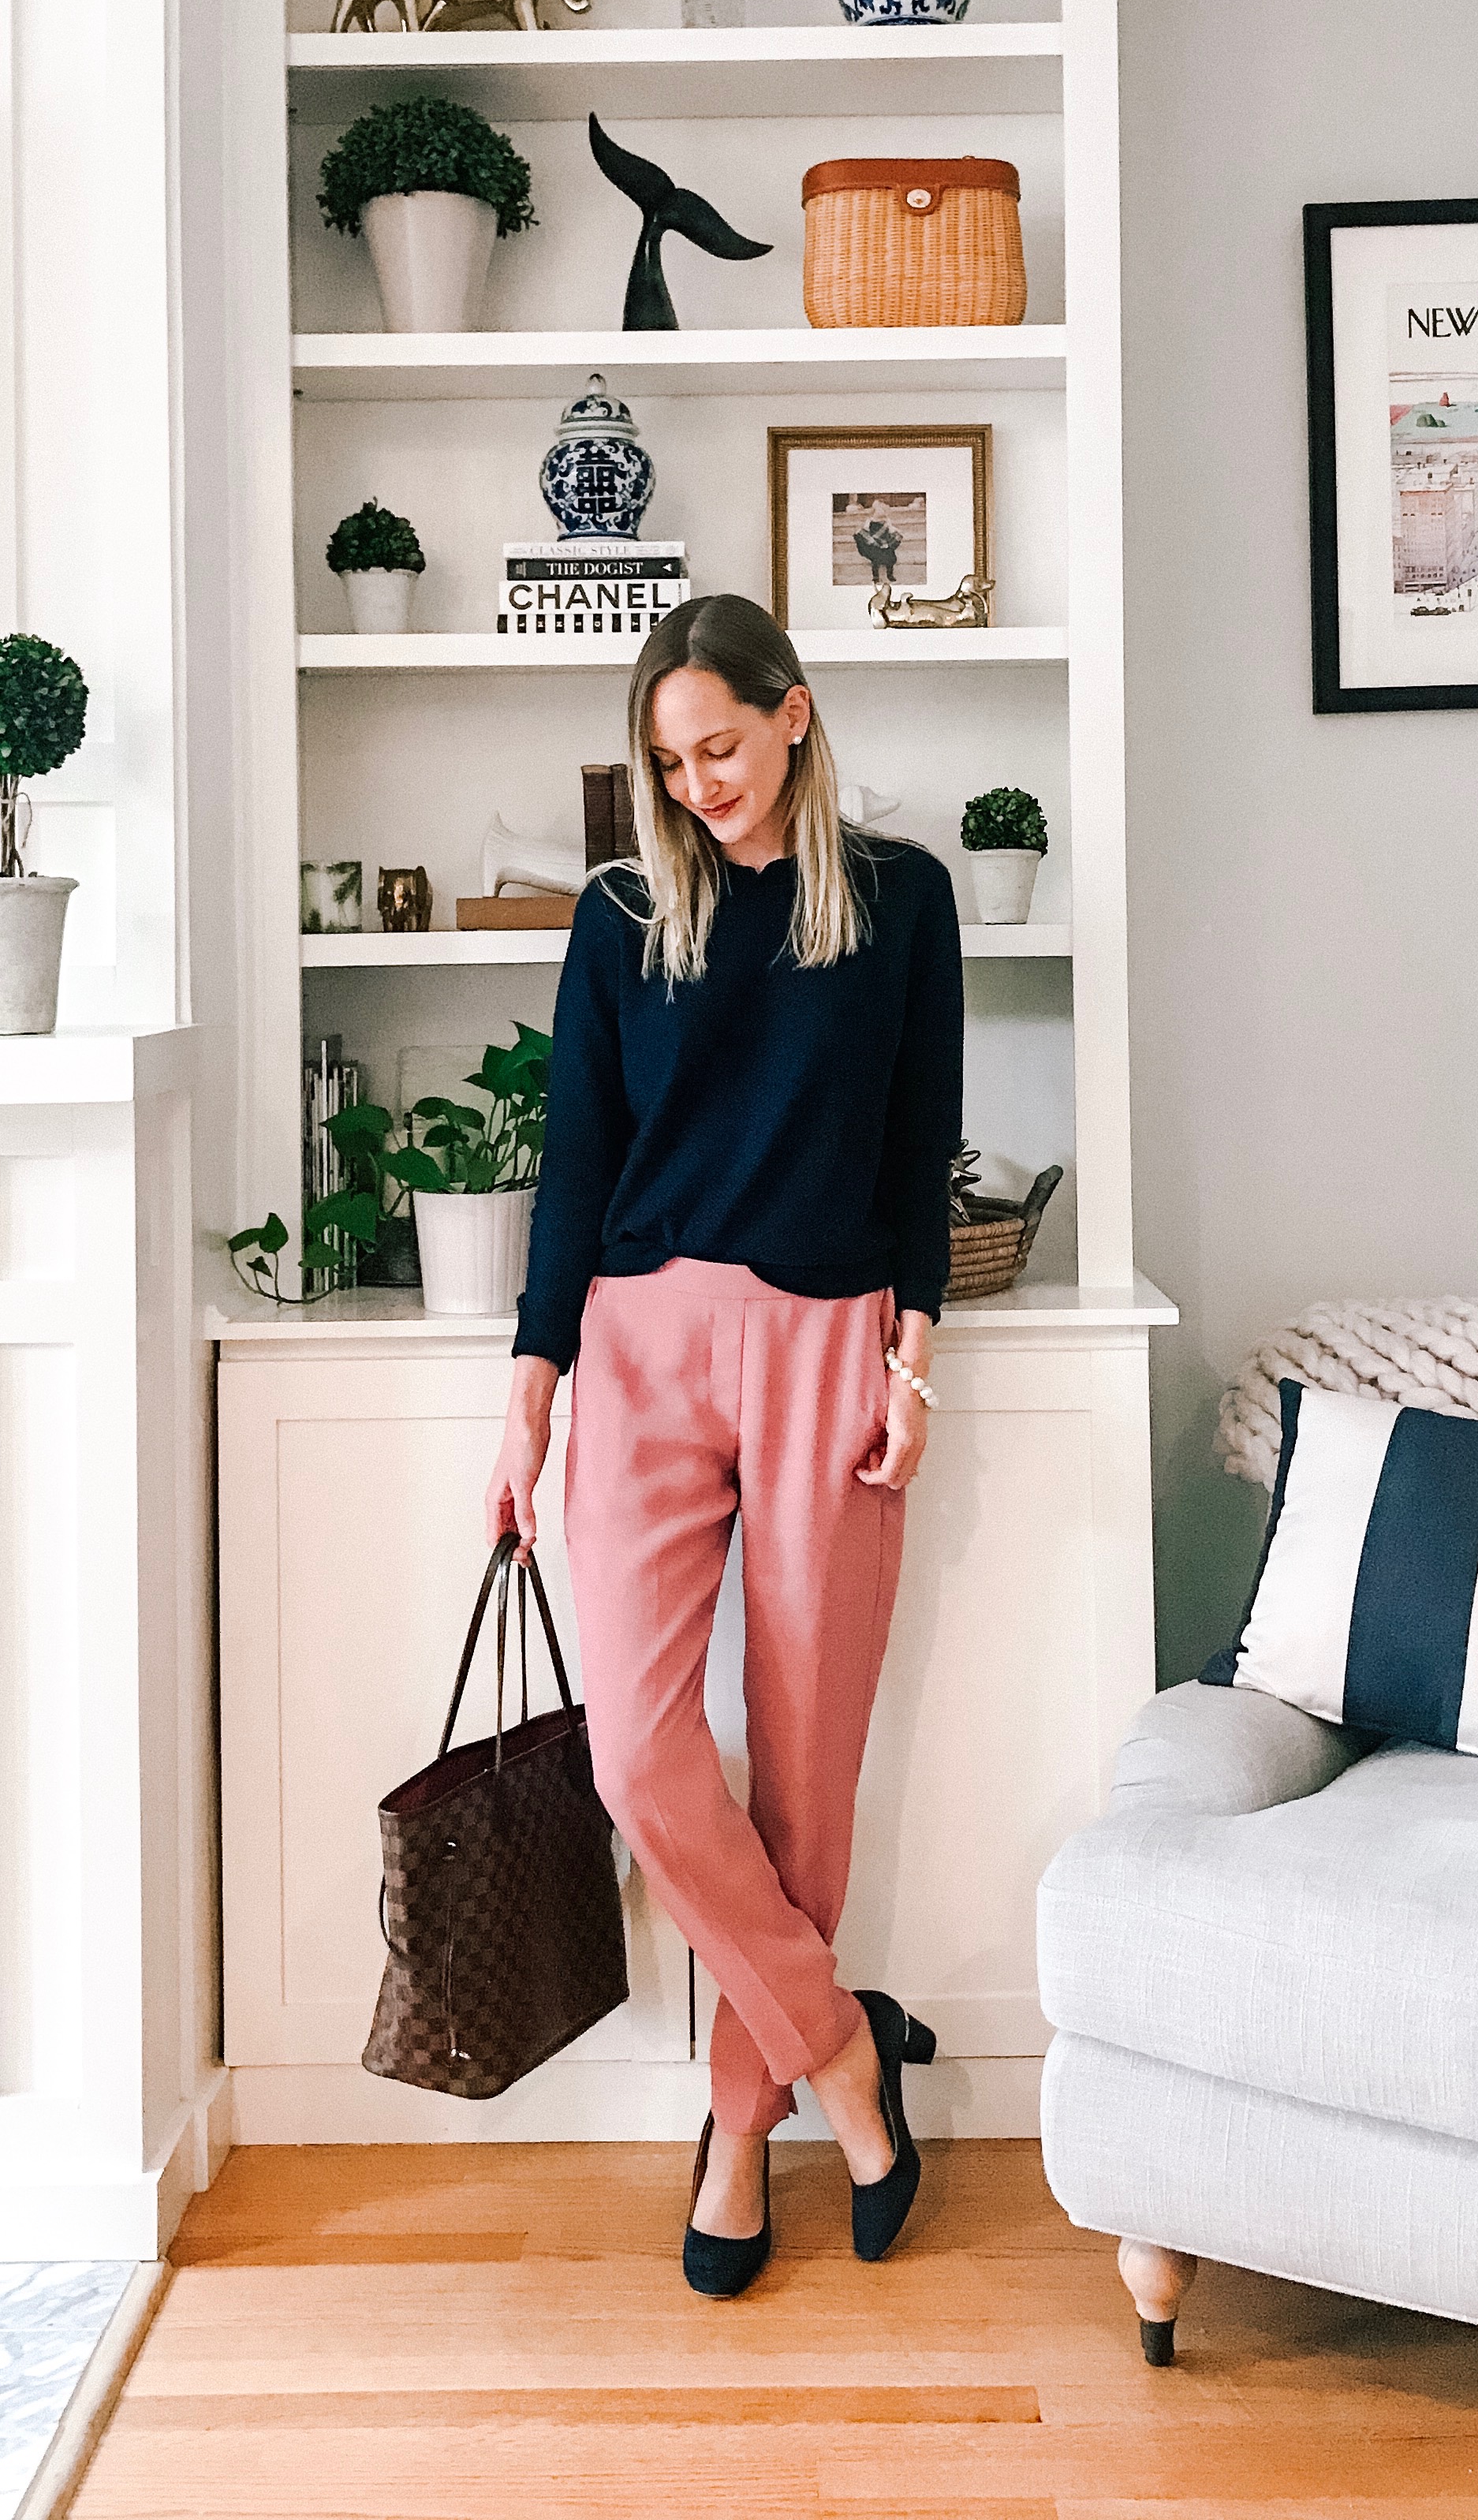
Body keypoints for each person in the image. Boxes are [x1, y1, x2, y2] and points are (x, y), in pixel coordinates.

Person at [488, 592, 962, 2297]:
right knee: (639, 1753)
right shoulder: (626, 915)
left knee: (807, 1765)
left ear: (796, 718)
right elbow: (577, 1151)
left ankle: (739, 2128)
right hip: (641, 1348)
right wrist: (529, 1389)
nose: (701, 786)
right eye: (671, 762)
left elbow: (922, 1143)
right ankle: (842, 2052)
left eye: (722, 748)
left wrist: (917, 1362)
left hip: (834, 1342)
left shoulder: (899, 901)